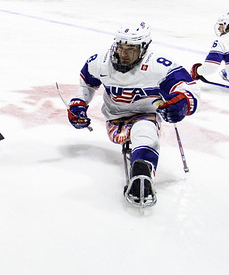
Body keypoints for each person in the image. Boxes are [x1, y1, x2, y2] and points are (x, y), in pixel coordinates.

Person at [67, 21, 200, 207]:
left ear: (144, 48)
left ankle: (142, 170)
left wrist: (182, 104)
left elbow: (191, 92)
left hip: (146, 113)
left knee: (145, 130)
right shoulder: (99, 62)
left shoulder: (158, 65)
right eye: (121, 47)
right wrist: (78, 104)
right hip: (114, 117)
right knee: (129, 133)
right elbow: (87, 86)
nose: (124, 54)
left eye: (131, 49)